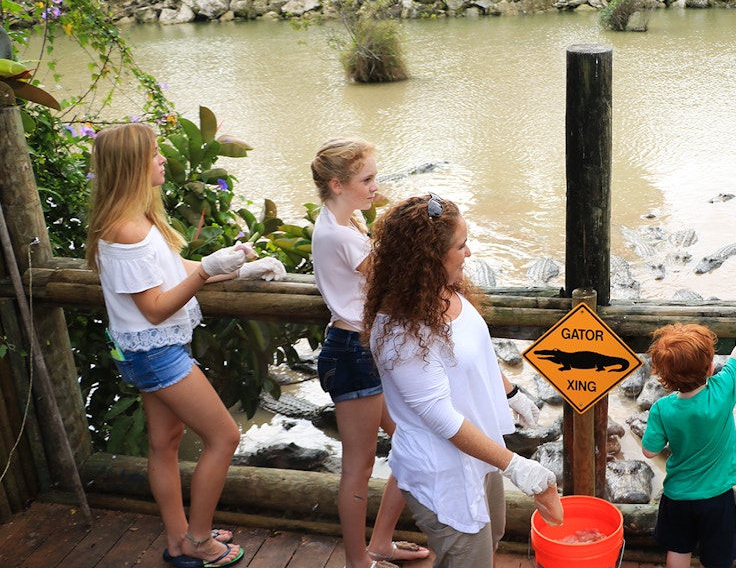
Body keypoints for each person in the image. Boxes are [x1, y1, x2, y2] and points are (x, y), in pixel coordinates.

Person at [86, 123, 285, 568]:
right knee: (224, 435)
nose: (161, 159)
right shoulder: (126, 232)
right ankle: (198, 539)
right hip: (155, 352)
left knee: (165, 442)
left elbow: (179, 269)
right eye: (155, 154)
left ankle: (179, 540)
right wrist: (203, 273)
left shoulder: (139, 221)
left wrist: (235, 270)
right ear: (133, 165)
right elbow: (156, 308)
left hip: (147, 351)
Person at [363, 194, 552, 567]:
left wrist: (511, 392)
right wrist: (517, 465)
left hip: (481, 451)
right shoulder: (400, 331)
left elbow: (471, 355)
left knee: (493, 534)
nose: (469, 253)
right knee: (468, 557)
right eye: (461, 246)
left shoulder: (443, 288)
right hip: (442, 470)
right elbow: (441, 418)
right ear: (428, 258)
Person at [310, 139, 430, 568]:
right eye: (367, 180)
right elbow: (394, 283)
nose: (376, 186)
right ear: (338, 185)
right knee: (358, 468)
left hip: (364, 350)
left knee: (414, 442)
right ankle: (359, 561)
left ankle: (380, 543)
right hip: (353, 354)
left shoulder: (345, 222)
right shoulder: (341, 235)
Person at [641, 271, 736, 568]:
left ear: (663, 377)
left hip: (677, 494)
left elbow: (649, 451)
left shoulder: (662, 409)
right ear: (711, 367)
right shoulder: (723, 390)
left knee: (679, 549)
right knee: (718, 557)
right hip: (717, 496)